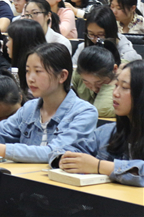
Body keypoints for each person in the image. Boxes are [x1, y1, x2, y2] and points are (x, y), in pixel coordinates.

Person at [0, 43, 98, 163]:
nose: (30, 79)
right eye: (27, 71)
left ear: (62, 76)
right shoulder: (29, 108)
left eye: (38, 71)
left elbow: (55, 152)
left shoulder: (84, 113)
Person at [51, 59, 144, 187]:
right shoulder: (108, 131)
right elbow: (65, 150)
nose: (115, 93)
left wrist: (98, 166)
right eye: (116, 85)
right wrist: (65, 160)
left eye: (124, 87)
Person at [72, 6, 141, 65]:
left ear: (111, 32)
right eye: (91, 34)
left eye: (100, 34)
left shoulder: (125, 49)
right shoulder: (82, 47)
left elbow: (136, 65)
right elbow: (73, 68)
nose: (95, 39)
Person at [73, 44, 119, 118]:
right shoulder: (78, 74)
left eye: (99, 82)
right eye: (86, 82)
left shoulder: (126, 80)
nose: (94, 89)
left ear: (115, 69)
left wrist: (114, 79)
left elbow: (101, 110)